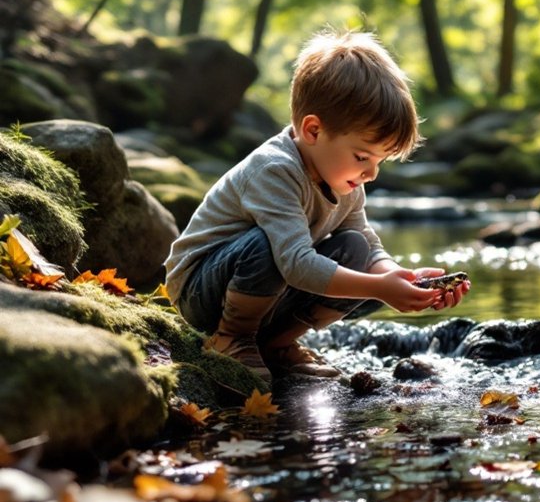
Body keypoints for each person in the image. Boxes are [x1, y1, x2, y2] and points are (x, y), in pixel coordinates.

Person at [163, 29, 469, 382]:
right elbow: (294, 263)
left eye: (380, 161)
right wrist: (379, 286)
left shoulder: (344, 174)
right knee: (266, 246)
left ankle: (276, 344)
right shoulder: (274, 170)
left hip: (266, 288)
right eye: (362, 156)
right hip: (202, 290)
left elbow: (365, 241)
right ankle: (232, 337)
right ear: (312, 131)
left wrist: (400, 276)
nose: (371, 172)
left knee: (357, 252)